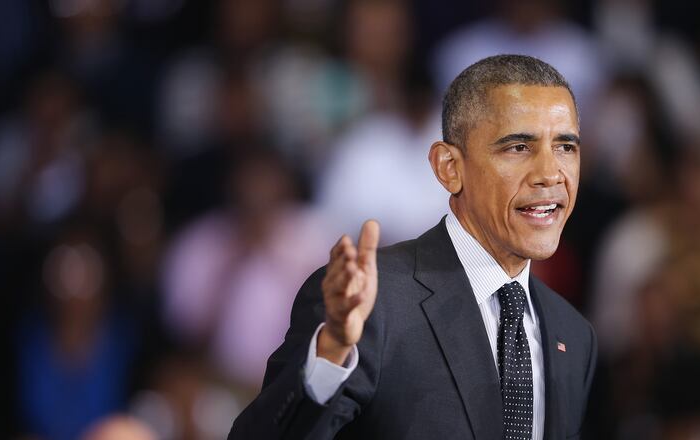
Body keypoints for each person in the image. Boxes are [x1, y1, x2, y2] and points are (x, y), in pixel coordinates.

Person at [228, 54, 597, 440]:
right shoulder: (374, 305)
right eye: (519, 147)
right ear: (449, 167)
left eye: (566, 147)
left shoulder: (573, 334)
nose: (550, 173)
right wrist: (331, 356)